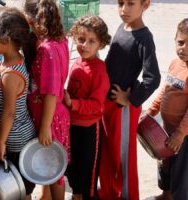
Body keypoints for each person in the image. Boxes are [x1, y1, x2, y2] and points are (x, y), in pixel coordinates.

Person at [99, 0, 161, 199]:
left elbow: (153, 77)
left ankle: (128, 194)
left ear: (145, 4)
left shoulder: (145, 37)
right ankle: (108, 192)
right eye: (120, 3)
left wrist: (130, 99)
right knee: (107, 150)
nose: (124, 9)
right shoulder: (121, 27)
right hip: (107, 103)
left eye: (130, 4)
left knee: (124, 155)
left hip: (122, 108)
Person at [147, 17, 188, 200]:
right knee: (164, 164)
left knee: (180, 172)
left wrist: (180, 134)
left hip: (183, 134)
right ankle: (166, 195)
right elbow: (165, 91)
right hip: (164, 128)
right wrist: (151, 111)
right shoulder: (175, 63)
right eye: (181, 42)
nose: (184, 47)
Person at [0, 7, 36, 200]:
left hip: (14, 139)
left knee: (18, 187)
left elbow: (9, 113)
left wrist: (1, 141)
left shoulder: (10, 76)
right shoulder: (14, 60)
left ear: (7, 40)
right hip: (20, 133)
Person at [24, 0, 70, 199]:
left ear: (30, 20)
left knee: (54, 172)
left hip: (50, 118)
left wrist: (45, 127)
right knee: (50, 166)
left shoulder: (46, 50)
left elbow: (50, 93)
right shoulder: (60, 40)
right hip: (55, 115)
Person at [63, 15, 111, 200]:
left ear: (101, 44)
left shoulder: (99, 70)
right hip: (72, 125)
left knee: (88, 177)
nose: (85, 45)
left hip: (90, 129)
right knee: (73, 170)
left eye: (92, 41)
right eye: (81, 39)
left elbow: (97, 106)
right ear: (74, 37)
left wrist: (72, 104)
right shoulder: (76, 62)